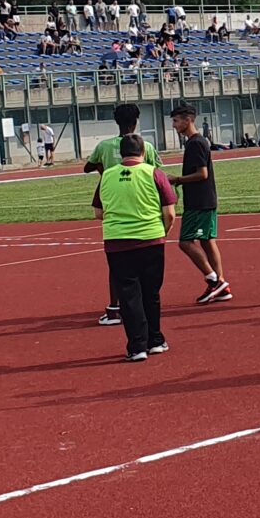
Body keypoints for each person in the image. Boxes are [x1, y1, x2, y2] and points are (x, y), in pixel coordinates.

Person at [96, 134, 180, 362]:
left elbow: (98, 212)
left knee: (128, 295)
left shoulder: (107, 176)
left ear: (120, 153)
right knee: (151, 292)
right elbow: (169, 212)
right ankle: (155, 340)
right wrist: (162, 231)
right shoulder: (154, 173)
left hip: (117, 242)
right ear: (143, 151)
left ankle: (137, 346)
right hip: (151, 239)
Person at [82, 103, 156, 326]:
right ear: (137, 121)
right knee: (146, 260)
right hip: (141, 204)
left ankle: (115, 307)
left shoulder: (104, 146)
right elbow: (156, 171)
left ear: (116, 121)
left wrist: (104, 170)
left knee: (118, 262)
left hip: (114, 202)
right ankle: (143, 306)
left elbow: (87, 167)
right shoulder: (145, 145)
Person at [168, 103, 229, 304]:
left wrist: (177, 179)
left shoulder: (195, 143)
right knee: (207, 241)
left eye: (176, 121)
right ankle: (221, 285)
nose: (174, 125)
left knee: (185, 242)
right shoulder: (196, 142)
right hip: (205, 200)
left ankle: (214, 279)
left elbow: (202, 173)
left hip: (199, 202)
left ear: (188, 120)